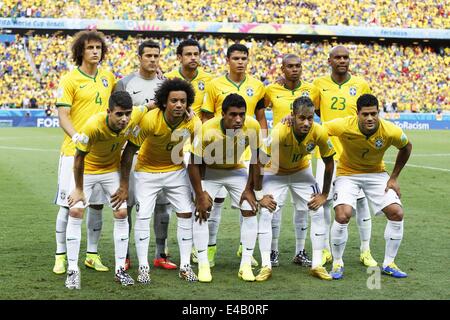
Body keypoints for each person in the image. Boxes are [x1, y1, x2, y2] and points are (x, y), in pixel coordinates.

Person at [120, 78, 204, 283]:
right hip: (146, 172)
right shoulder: (150, 119)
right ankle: (143, 267)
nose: (179, 105)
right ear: (164, 102)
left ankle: (185, 266)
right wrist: (124, 185)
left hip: (175, 170)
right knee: (143, 217)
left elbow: (198, 156)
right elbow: (129, 151)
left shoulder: (193, 121)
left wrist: (201, 191)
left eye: (183, 101)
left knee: (186, 213)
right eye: (174, 100)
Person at [323, 94, 412, 279]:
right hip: (348, 173)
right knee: (343, 214)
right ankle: (338, 263)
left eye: (373, 113)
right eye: (365, 114)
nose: (370, 118)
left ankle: (389, 263)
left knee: (397, 212)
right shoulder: (344, 125)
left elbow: (407, 146)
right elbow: (319, 131)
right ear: (358, 114)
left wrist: (393, 178)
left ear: (378, 112)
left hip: (376, 173)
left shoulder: (390, 130)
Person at [64, 91, 147, 289]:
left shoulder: (135, 116)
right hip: (88, 171)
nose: (124, 118)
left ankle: (120, 270)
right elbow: (78, 158)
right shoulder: (93, 125)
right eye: (119, 114)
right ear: (109, 111)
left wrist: (124, 186)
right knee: (75, 210)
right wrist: (78, 189)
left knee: (121, 212)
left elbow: (151, 105)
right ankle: (73, 270)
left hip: (111, 170)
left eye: (127, 113)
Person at [192, 93, 276, 282]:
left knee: (249, 208)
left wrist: (250, 190)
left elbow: (257, 160)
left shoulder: (252, 126)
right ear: (223, 114)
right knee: (202, 211)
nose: (238, 119)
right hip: (210, 171)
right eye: (233, 115)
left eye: (242, 114)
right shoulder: (207, 128)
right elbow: (194, 164)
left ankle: (245, 264)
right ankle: (204, 264)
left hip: (236, 170)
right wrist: (200, 194)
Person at [53, 30, 115, 275]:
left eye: (98, 48)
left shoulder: (108, 77)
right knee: (69, 205)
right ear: (80, 51)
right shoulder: (69, 80)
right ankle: (60, 255)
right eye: (90, 48)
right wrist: (76, 136)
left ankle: (91, 254)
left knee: (97, 206)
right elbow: (63, 116)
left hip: (102, 155)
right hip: (74, 152)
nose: (95, 51)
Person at [201, 43, 267, 268]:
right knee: (214, 202)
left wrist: (264, 142)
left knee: (247, 201)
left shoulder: (257, 86)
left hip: (244, 152)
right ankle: (208, 248)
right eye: (236, 58)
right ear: (227, 60)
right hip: (216, 153)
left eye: (244, 58)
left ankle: (244, 247)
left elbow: (260, 116)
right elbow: (206, 117)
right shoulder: (214, 85)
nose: (240, 62)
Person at [257, 96, 335, 281]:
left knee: (317, 209)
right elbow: (259, 160)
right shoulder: (279, 132)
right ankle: (265, 265)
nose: (307, 123)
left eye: (310, 118)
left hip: (301, 172)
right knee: (267, 211)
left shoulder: (319, 132)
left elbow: (329, 162)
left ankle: (317, 264)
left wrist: (324, 194)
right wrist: (259, 194)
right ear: (292, 116)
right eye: (302, 118)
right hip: (275, 172)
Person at [115, 40, 176, 271]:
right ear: (139, 57)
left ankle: (161, 253)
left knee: (162, 206)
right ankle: (127, 255)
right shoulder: (125, 83)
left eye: (156, 56)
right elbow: (117, 117)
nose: (152, 59)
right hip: (131, 152)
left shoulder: (166, 85)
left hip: (159, 155)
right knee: (128, 204)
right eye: (148, 55)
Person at [312, 45, 376, 267]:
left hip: (355, 155)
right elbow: (313, 111)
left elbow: (370, 118)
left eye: (346, 57)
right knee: (323, 202)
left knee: (361, 203)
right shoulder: (319, 85)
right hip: (327, 154)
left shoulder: (360, 84)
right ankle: (326, 250)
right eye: (337, 57)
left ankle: (365, 250)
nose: (342, 60)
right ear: (329, 60)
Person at [264, 54, 320, 268]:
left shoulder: (312, 89)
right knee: (274, 207)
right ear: (282, 69)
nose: (294, 69)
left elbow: (316, 114)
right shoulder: (271, 90)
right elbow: (260, 110)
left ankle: (300, 251)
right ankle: (273, 252)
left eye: (298, 66)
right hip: (278, 155)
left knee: (304, 207)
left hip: (303, 158)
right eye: (290, 66)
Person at [165, 39, 213, 117]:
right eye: (188, 54)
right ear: (179, 57)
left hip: (199, 127)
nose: (193, 57)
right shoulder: (168, 78)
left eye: (196, 54)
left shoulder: (209, 79)